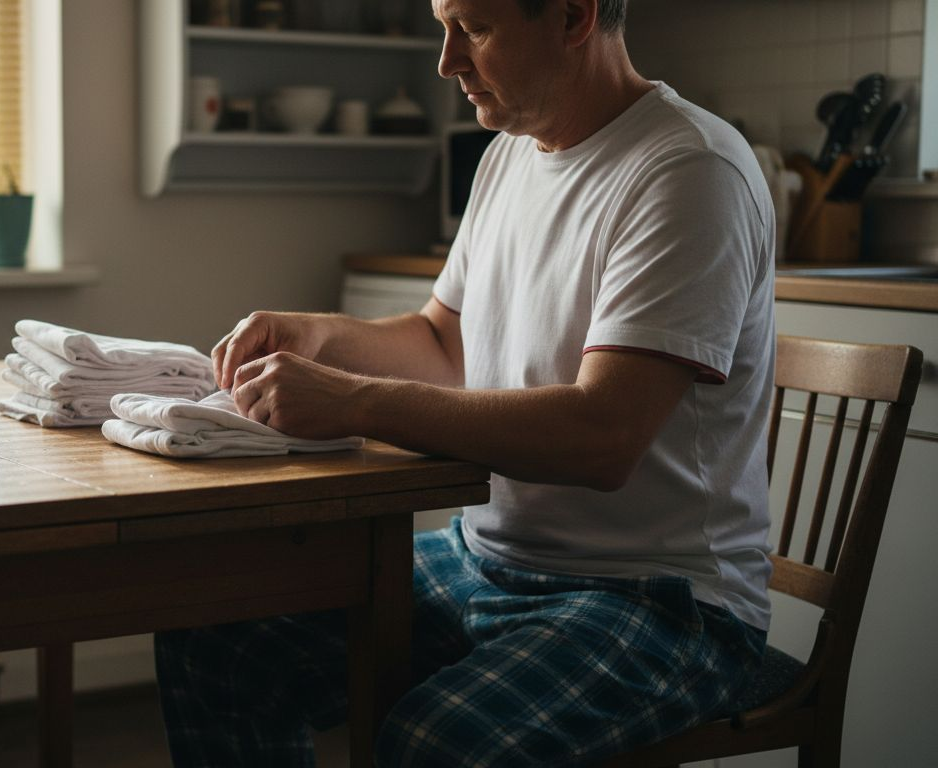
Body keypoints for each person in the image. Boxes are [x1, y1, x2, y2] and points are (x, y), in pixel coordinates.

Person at [156, 0, 776, 764]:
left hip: (661, 599)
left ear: (574, 16)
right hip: (481, 556)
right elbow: (441, 341)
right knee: (218, 637)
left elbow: (602, 438)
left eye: (474, 29)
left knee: (433, 745)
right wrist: (317, 334)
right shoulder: (510, 154)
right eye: (442, 25)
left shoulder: (690, 170)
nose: (446, 61)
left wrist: (353, 400)